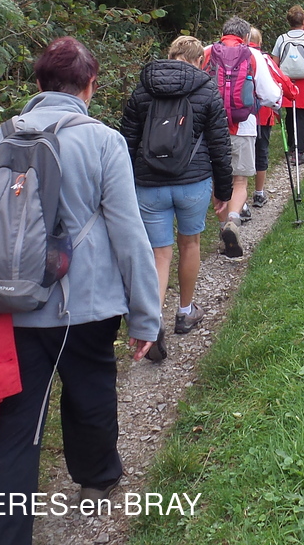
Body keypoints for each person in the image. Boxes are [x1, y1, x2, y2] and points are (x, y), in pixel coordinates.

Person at [0, 36, 160, 545]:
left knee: (13, 427)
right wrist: (145, 316)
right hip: (87, 307)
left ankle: (1, 535)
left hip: (10, 306)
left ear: (38, 83)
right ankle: (97, 476)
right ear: (91, 84)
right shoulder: (103, 141)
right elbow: (129, 235)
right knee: (90, 391)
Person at [119, 35, 232, 362]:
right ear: (200, 60)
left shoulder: (144, 89)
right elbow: (220, 145)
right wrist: (223, 191)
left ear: (170, 56)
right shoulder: (207, 89)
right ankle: (184, 312)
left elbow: (127, 141)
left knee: (159, 254)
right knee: (190, 244)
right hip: (193, 182)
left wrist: (124, 184)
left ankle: (152, 323)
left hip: (148, 183)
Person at [204, 17, 280, 257]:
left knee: (219, 179)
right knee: (239, 181)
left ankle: (222, 227)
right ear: (246, 37)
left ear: (222, 33)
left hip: (210, 127)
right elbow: (270, 95)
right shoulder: (253, 55)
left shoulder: (207, 52)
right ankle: (234, 220)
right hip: (243, 126)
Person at [247, 27, 296, 208]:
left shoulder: (230, 58)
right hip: (261, 115)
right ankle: (259, 193)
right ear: (259, 42)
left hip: (235, 117)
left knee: (237, 158)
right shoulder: (263, 59)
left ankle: (238, 205)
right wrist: (292, 92)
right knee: (261, 153)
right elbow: (282, 81)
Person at [272, 5, 304, 164]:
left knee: (290, 114)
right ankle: (299, 151)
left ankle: (291, 146)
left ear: (289, 21)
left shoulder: (281, 39)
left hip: (287, 82)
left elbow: (274, 63)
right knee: (302, 115)